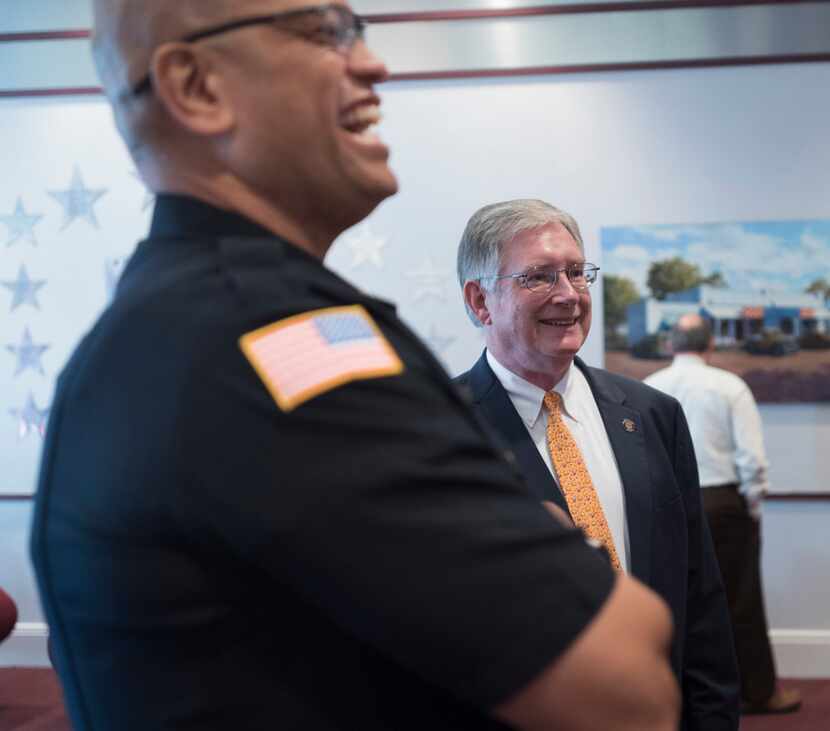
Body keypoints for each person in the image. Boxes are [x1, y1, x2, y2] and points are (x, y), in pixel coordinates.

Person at [29, 3, 680, 730]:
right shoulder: (284, 345)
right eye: (324, 32)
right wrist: (560, 540)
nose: (372, 64)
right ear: (197, 87)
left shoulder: (171, 320)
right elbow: (624, 688)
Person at [454, 199, 740, 731]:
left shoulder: (654, 414)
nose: (568, 294)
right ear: (481, 301)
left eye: (576, 273)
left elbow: (699, 593)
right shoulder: (441, 433)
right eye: (539, 277)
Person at [645, 313, 802, 715]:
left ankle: (672, 698)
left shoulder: (647, 388)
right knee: (742, 601)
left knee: (672, 603)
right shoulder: (730, 386)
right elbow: (751, 457)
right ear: (710, 345)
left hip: (667, 505)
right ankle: (759, 693)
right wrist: (753, 503)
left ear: (670, 344)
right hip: (724, 505)